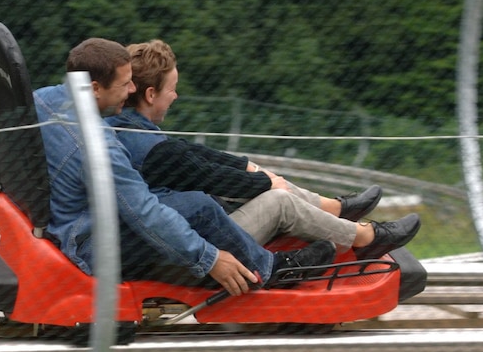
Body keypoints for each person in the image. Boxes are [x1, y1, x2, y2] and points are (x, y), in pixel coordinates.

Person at [33, 37, 336, 296]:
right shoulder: (100, 148)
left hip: (72, 223)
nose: (130, 91)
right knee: (198, 206)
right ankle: (270, 272)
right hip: (91, 246)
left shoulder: (42, 100)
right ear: (96, 88)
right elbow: (144, 213)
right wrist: (211, 258)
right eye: (125, 84)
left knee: (188, 201)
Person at [105, 39, 420, 260]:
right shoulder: (150, 148)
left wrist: (248, 168)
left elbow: (195, 157)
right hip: (198, 244)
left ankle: (335, 210)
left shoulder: (133, 130)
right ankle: (366, 239)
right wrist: (265, 182)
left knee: (262, 180)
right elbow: (207, 176)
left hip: (184, 233)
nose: (175, 96)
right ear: (150, 94)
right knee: (279, 202)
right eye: (172, 90)